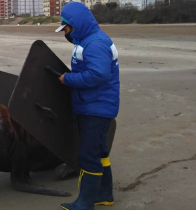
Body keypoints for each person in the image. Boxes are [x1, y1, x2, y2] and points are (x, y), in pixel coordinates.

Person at [55, 2, 120, 210]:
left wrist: (69, 80)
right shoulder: (87, 40)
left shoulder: (96, 43)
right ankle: (104, 195)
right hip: (92, 105)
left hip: (97, 108)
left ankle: (85, 203)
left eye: (65, 28)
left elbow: (99, 75)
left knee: (87, 156)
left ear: (75, 25)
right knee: (100, 152)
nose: (65, 32)